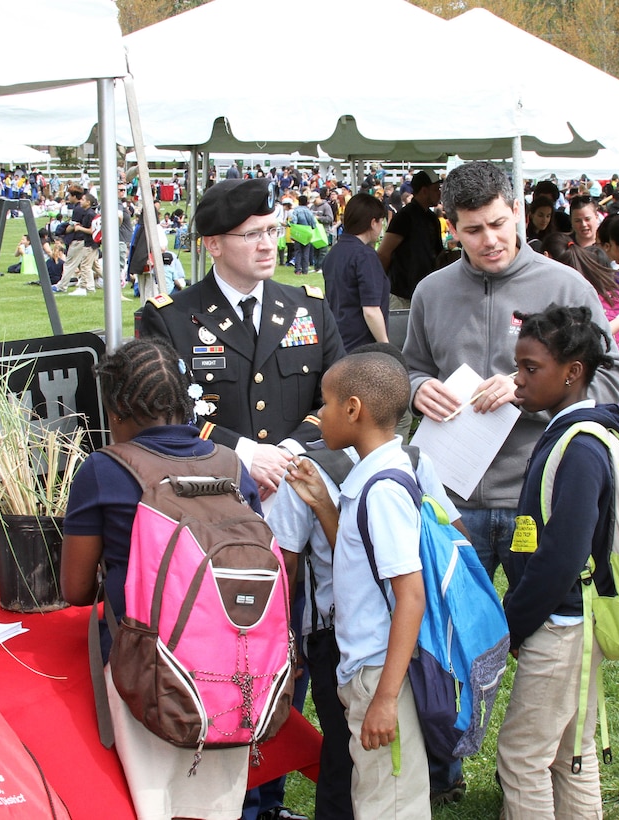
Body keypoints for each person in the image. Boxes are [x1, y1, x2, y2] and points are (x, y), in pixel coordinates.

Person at [60, 337, 262, 820]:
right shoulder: (233, 466)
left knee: (151, 801)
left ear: (115, 409)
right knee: (213, 806)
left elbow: (74, 589)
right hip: (234, 668)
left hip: (144, 670)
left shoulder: (103, 470)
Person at [403, 160, 619, 585]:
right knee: (457, 628)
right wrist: (417, 389)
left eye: (498, 224)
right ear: (451, 228)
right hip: (452, 494)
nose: (490, 240)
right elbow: (414, 365)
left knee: (543, 628)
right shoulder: (431, 292)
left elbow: (610, 378)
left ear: (518, 212)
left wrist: (527, 390)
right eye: (473, 231)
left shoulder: (567, 288)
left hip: (539, 488)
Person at [270, 343, 465, 819]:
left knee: (388, 805)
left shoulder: (382, 491)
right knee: (373, 791)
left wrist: (384, 699)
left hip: (381, 673)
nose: (319, 414)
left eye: (326, 403)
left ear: (353, 410)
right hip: (366, 668)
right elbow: (361, 566)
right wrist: (324, 505)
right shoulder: (371, 480)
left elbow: (410, 597)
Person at [497, 305, 619, 819]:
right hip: (566, 620)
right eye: (517, 366)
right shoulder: (572, 434)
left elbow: (562, 556)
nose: (517, 380)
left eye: (530, 368)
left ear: (573, 372)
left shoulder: (581, 446)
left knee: (522, 759)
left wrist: (515, 624)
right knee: (571, 755)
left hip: (559, 623)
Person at [139, 177, 346, 503]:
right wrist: (245, 455)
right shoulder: (171, 317)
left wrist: (287, 453)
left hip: (301, 485)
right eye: (252, 235)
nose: (268, 245)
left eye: (272, 230)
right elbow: (167, 413)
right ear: (213, 245)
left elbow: (338, 396)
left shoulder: (309, 308)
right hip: (211, 494)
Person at [322, 193, 390, 351]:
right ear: (373, 223)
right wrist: (387, 347)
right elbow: (371, 310)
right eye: (381, 222)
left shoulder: (334, 253)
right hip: (363, 347)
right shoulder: (365, 256)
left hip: (338, 342)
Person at [377, 170, 444, 309]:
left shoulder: (432, 219)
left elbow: (437, 255)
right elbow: (384, 253)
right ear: (424, 191)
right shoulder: (404, 217)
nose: (439, 193)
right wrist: (381, 285)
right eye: (436, 189)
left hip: (425, 292)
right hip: (402, 294)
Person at [289, 195, 317, 276]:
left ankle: (298, 269)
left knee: (298, 251)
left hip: (298, 232)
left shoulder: (296, 210)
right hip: (307, 232)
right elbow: (313, 223)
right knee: (306, 251)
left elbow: (293, 221)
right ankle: (305, 270)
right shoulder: (309, 211)